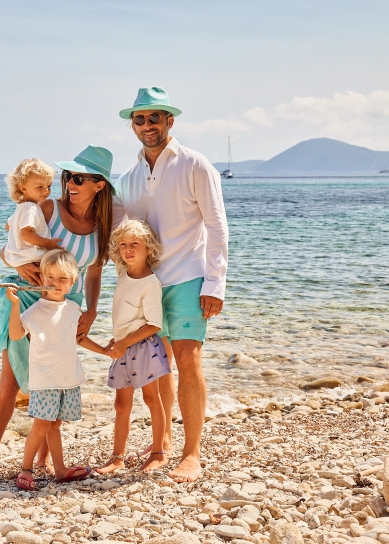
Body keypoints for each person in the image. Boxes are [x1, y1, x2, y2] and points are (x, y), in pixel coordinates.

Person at [112, 87, 229, 482]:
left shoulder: (196, 165)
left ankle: (191, 454)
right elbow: (109, 229)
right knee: (157, 369)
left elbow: (216, 225)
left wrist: (215, 283)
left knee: (188, 362)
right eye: (140, 119)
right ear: (133, 125)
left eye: (154, 118)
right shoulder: (128, 178)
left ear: (169, 122)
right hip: (146, 286)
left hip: (188, 279)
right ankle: (160, 448)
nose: (147, 126)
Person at [0, 145, 114, 481]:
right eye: (68, 175)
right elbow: (8, 244)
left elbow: (96, 272)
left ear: (99, 185)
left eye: (79, 177)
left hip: (68, 306)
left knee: (53, 377)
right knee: (12, 382)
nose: (70, 182)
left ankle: (42, 462)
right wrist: (21, 263)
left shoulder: (103, 225)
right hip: (28, 298)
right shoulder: (47, 206)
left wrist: (92, 310)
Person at [6, 249, 107, 489]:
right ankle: (26, 469)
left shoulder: (73, 309)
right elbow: (16, 334)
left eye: (63, 279)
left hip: (67, 379)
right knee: (42, 425)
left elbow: (79, 339)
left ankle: (60, 469)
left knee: (56, 424)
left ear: (73, 282)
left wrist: (106, 351)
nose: (55, 283)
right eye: (50, 278)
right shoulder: (36, 311)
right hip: (44, 380)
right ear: (41, 278)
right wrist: (14, 305)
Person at [90, 219, 171, 474]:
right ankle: (117, 457)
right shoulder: (123, 273)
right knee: (121, 405)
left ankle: (159, 452)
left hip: (143, 346)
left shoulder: (150, 282)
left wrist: (125, 341)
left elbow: (155, 324)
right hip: (123, 347)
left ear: (148, 248)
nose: (128, 249)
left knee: (151, 398)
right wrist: (119, 340)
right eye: (123, 244)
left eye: (135, 244)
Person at [3, 159, 62, 267]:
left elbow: (8, 226)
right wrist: (48, 243)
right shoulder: (31, 208)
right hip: (33, 258)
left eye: (48, 186)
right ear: (23, 188)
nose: (46, 191)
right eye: (40, 187)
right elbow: (26, 233)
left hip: (21, 258)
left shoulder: (21, 207)